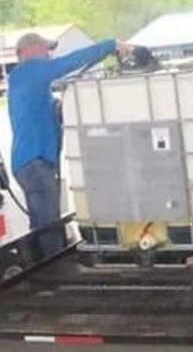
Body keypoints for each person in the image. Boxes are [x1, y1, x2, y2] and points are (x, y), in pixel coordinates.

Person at [8, 32, 124, 255]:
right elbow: (70, 62)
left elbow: (42, 112)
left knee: (42, 225)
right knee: (49, 228)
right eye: (46, 50)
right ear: (30, 50)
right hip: (35, 162)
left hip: (29, 163)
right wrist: (110, 45)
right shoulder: (29, 70)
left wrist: (58, 108)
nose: (49, 55)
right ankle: (52, 266)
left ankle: (42, 263)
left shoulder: (26, 82)